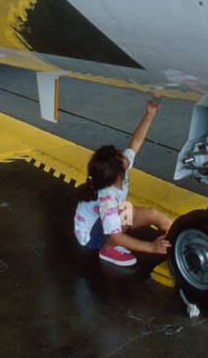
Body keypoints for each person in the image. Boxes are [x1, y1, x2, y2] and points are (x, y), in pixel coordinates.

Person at [73, 98, 173, 267]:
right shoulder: (108, 197)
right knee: (125, 209)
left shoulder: (114, 172)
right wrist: (151, 247)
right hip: (91, 236)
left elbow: (135, 143)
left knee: (152, 214)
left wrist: (149, 114)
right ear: (118, 175)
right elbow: (116, 236)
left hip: (106, 218)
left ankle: (177, 239)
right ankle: (107, 250)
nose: (125, 154)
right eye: (121, 155)